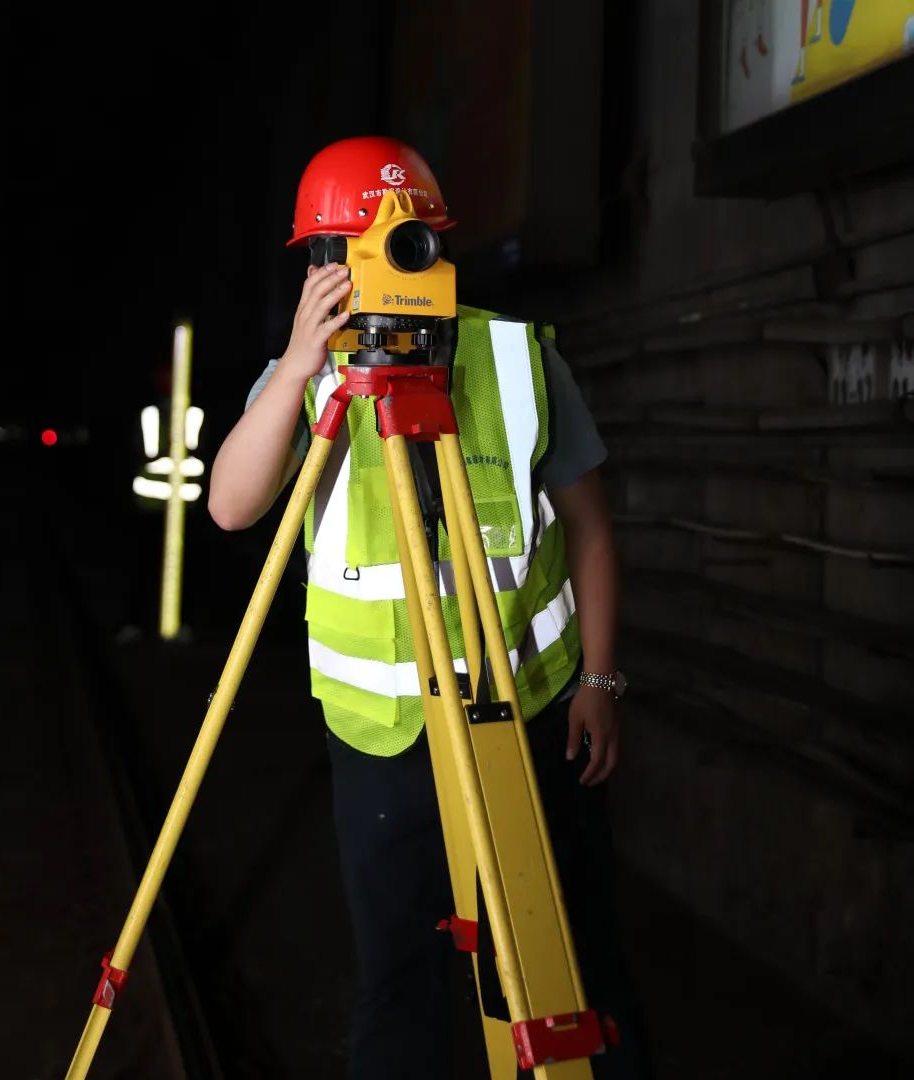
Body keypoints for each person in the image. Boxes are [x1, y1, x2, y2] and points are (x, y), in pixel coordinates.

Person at [208, 136, 650, 1080]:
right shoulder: (307, 377)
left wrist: (601, 679)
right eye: (349, 250)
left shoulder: (514, 360)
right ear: (318, 264)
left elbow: (590, 530)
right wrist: (301, 365)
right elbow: (232, 507)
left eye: (408, 242)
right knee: (400, 981)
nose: (385, 266)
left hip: (529, 712)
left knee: (567, 967)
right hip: (385, 737)